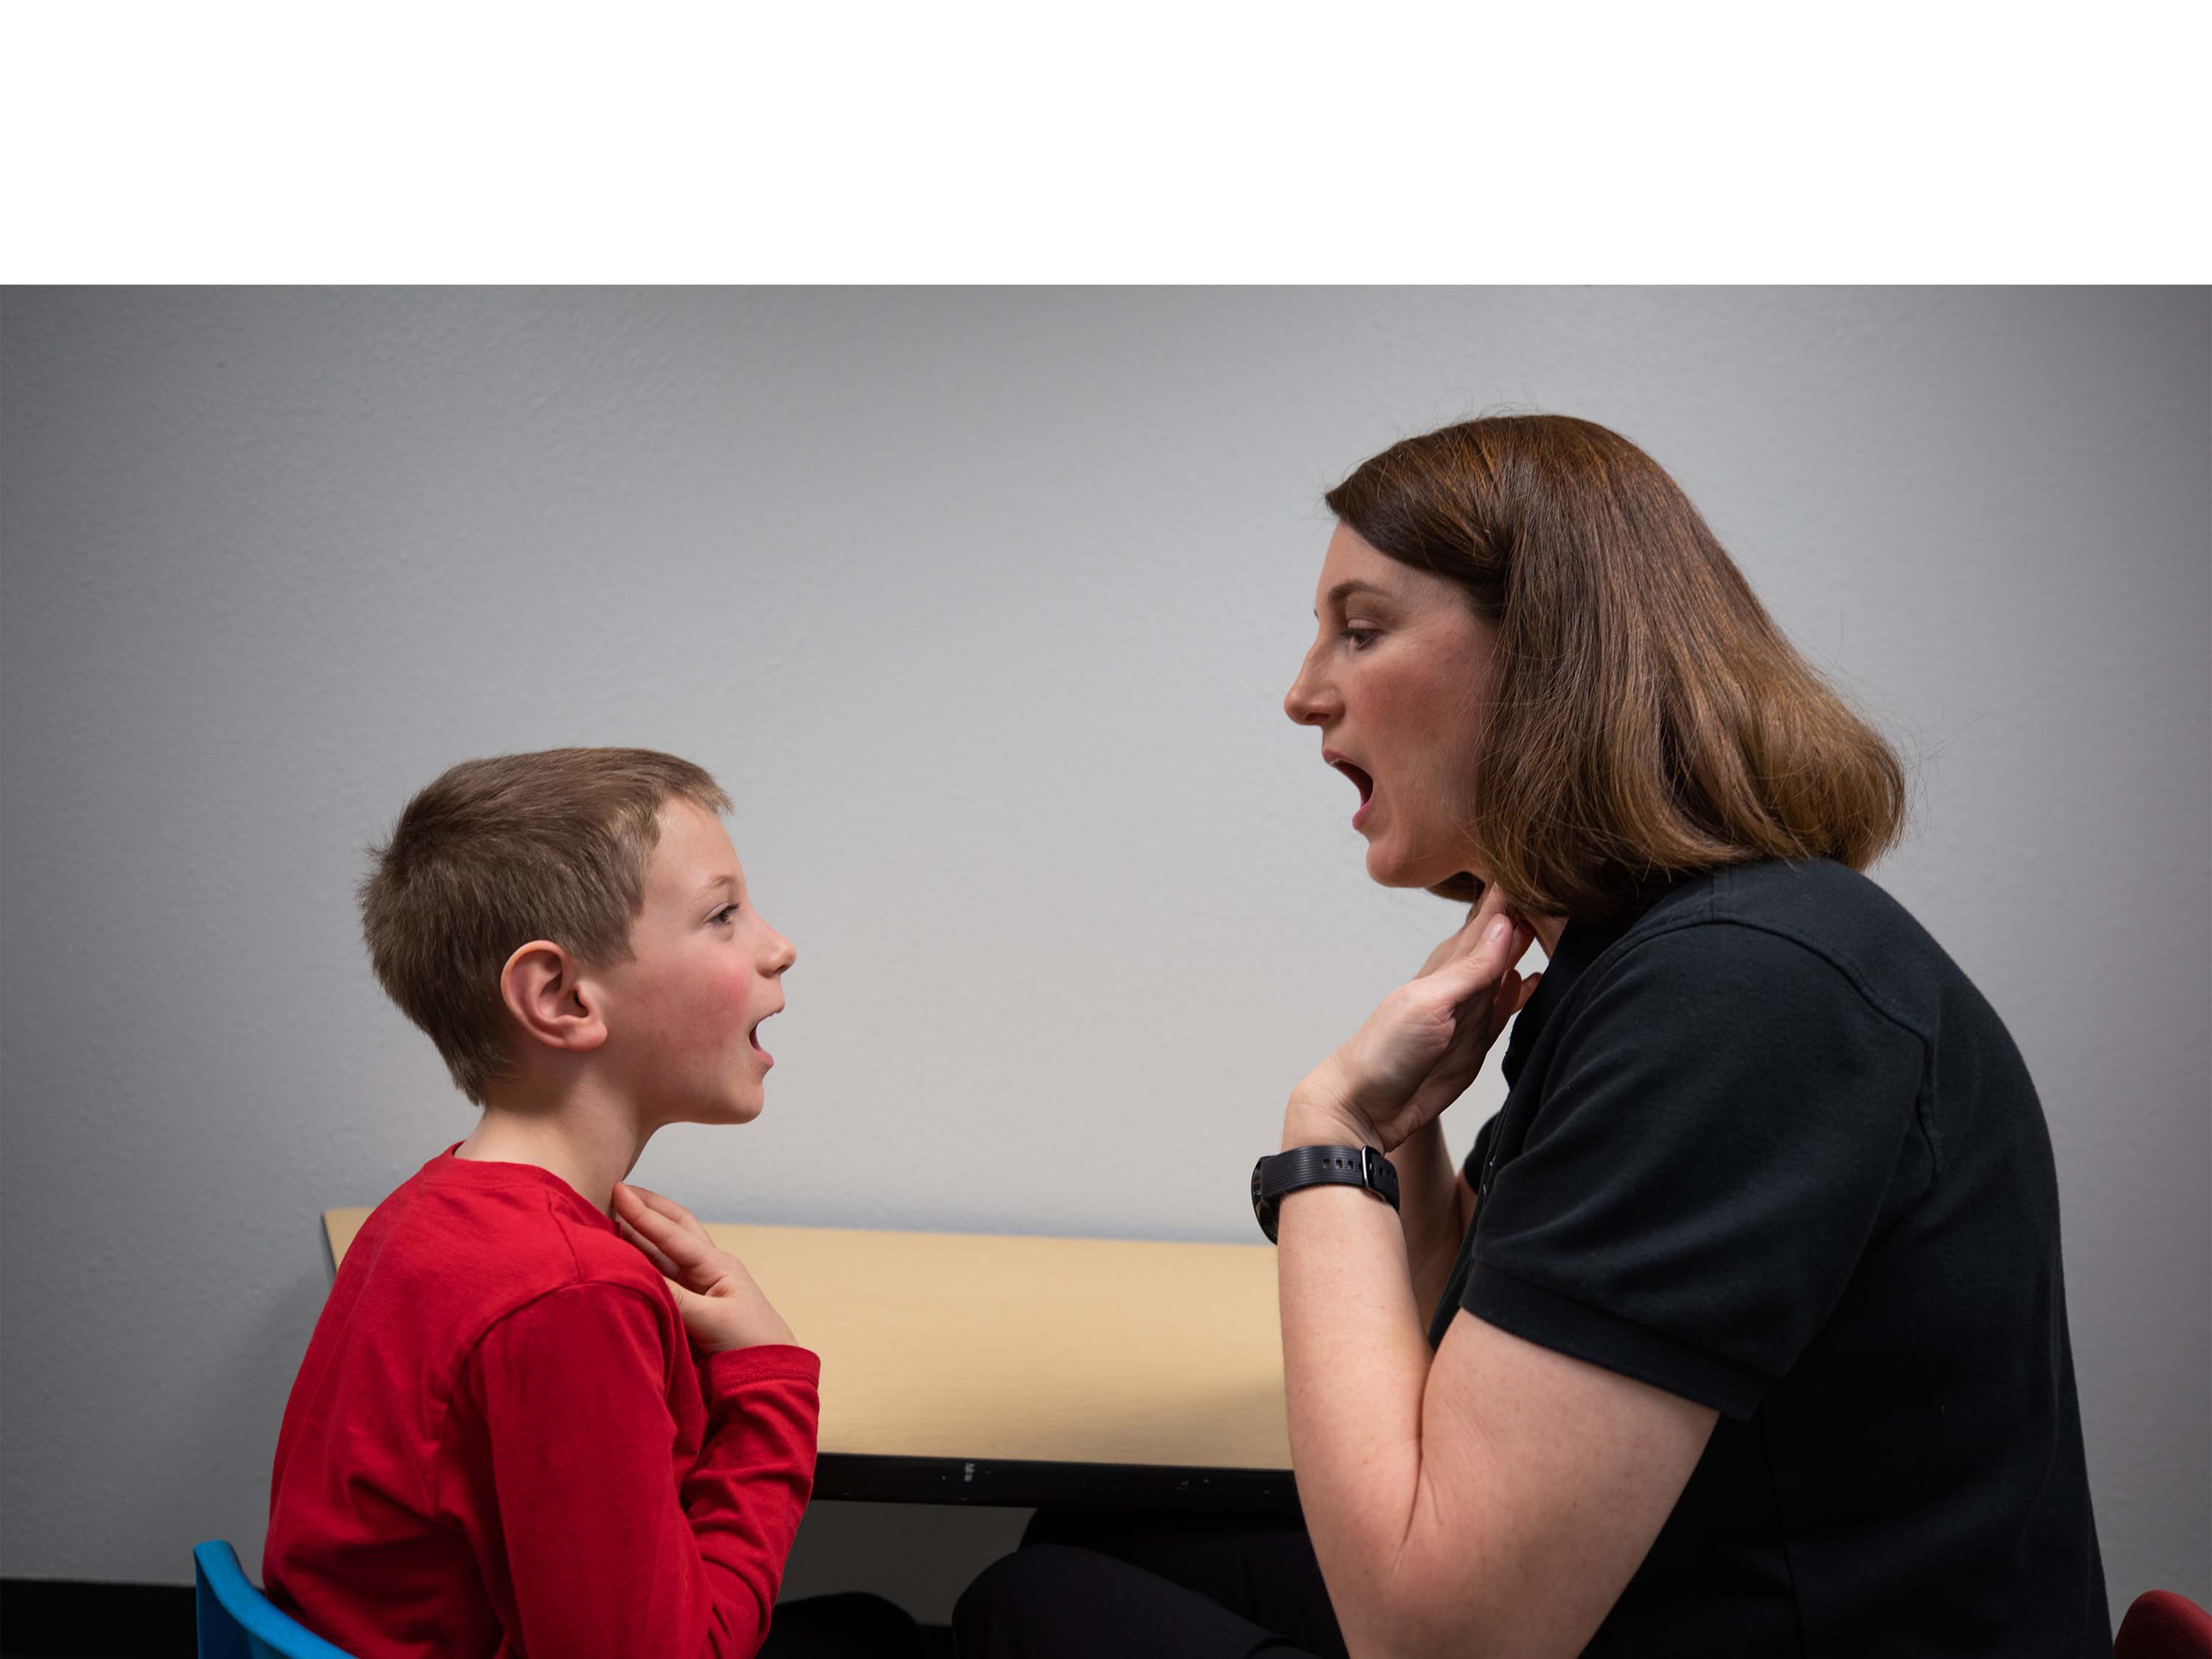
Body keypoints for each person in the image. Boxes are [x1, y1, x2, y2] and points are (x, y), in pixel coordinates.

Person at [956, 416, 2109, 1657]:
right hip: (1678, 1590)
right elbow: (1482, 1358)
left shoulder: (1742, 997)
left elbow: (1438, 1636)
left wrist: (1327, 1140)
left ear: (1544, 653)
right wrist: (1404, 1134)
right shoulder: (1663, 958)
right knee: (1097, 1537)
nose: (1303, 693)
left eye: (1362, 627)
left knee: (1034, 1610)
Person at [264, 747, 921, 1659]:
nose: (779, 946)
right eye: (723, 915)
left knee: (869, 1630)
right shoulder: (568, 1296)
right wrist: (770, 1381)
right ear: (562, 996)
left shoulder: (424, 1213)